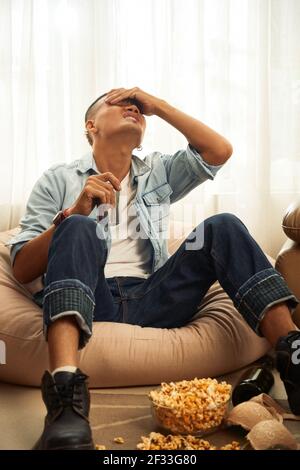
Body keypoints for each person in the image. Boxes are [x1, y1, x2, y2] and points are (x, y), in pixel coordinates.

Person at [7, 87, 300, 450]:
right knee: (78, 226)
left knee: (222, 225)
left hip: (155, 296)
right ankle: (66, 398)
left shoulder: (158, 170)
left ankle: (294, 358)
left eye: (139, 109)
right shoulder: (57, 179)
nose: (134, 108)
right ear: (91, 125)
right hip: (91, 299)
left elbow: (218, 151)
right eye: (119, 105)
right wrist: (74, 212)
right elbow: (21, 267)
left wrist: (159, 106)